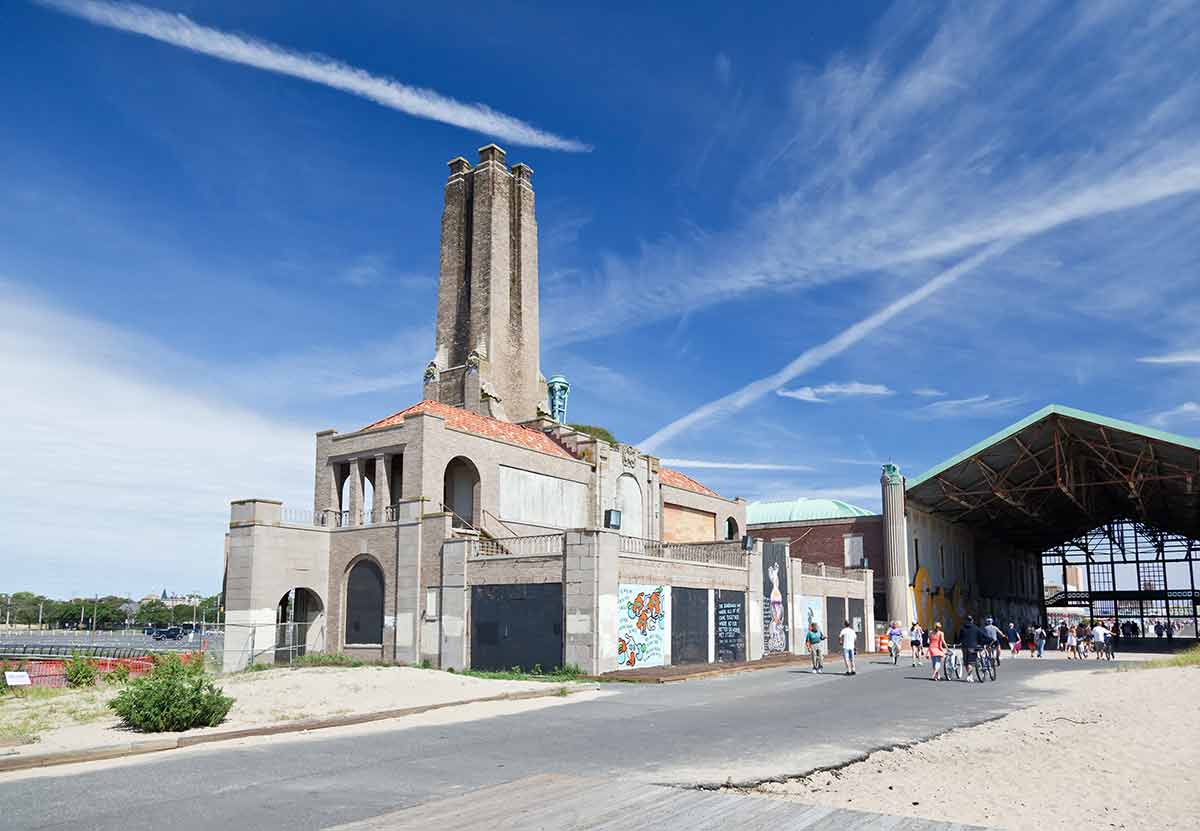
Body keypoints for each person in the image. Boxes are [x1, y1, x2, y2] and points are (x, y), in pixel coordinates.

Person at [957, 615, 991, 682]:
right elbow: (983, 635)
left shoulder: (962, 628)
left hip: (964, 647)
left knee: (966, 662)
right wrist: (990, 640)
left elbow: (959, 638)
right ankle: (969, 676)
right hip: (972, 647)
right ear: (972, 620)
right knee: (971, 662)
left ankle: (970, 675)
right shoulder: (975, 627)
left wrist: (959, 642)